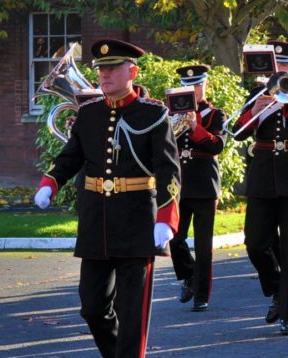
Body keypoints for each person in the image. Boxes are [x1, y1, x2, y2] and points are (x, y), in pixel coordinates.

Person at [34, 38, 180, 356]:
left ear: (132, 71)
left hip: (137, 221)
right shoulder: (89, 115)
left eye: (112, 68)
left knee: (132, 313)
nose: (104, 74)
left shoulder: (153, 115)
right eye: (101, 68)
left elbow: (170, 170)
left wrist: (166, 217)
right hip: (97, 221)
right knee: (92, 307)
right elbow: (71, 157)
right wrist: (51, 181)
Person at [232, 40, 288, 336]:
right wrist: (255, 111)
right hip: (262, 174)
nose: (278, 71)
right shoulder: (258, 93)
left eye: (284, 65)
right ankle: (277, 288)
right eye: (275, 65)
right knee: (255, 242)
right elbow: (237, 132)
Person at [168, 64, 226, 312]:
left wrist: (195, 126)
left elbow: (217, 145)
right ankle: (190, 276)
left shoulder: (216, 115)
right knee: (174, 238)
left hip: (204, 184)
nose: (193, 90)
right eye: (187, 87)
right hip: (179, 184)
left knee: (203, 244)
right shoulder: (170, 115)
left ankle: (202, 295)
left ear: (206, 86)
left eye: (198, 85)